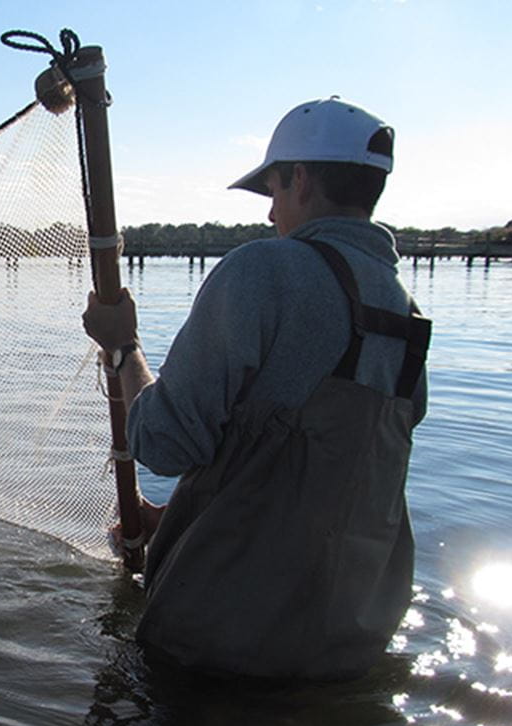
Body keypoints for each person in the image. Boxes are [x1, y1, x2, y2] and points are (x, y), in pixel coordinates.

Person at [82, 97, 431, 681]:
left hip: (219, 647)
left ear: (299, 179)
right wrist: (177, 518)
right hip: (349, 649)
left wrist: (124, 347)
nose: (271, 215)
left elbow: (164, 444)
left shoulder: (263, 270)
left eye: (271, 192)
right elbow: (331, 485)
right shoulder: (405, 312)